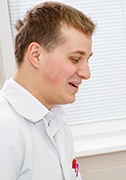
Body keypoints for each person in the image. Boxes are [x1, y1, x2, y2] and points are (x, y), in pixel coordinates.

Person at [0, 2, 95, 179]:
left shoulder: (56, 122)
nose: (86, 73)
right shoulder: (5, 127)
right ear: (36, 55)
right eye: (75, 59)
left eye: (87, 60)